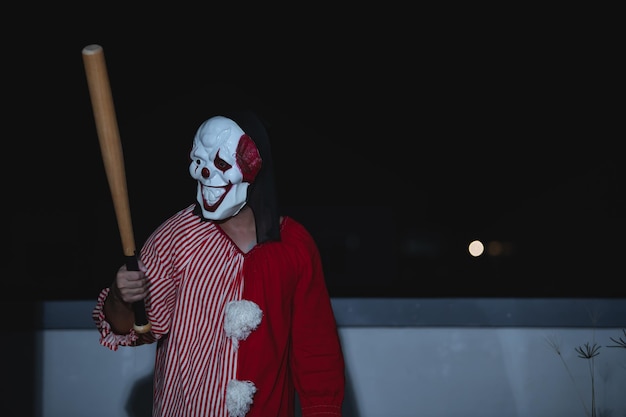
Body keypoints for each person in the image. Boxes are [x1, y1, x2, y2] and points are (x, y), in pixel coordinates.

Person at [92, 110, 346, 417]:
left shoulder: (294, 246)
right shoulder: (175, 237)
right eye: (198, 161)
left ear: (255, 165)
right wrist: (121, 298)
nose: (205, 173)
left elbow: (316, 352)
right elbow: (134, 329)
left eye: (222, 163)